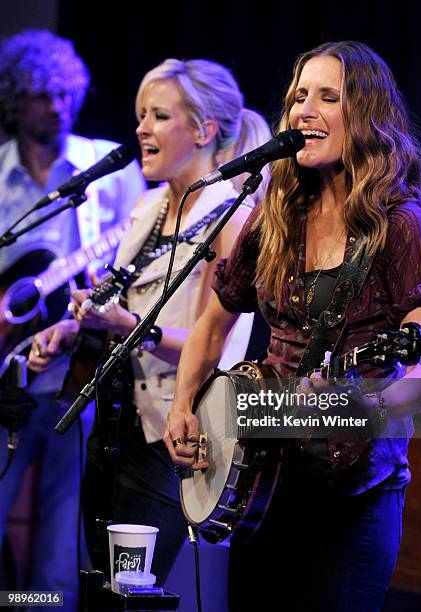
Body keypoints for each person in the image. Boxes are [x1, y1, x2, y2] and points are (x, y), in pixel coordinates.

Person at [165, 41, 421, 611]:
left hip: (352, 495)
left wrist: (359, 405)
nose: (305, 110)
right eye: (299, 96)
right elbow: (211, 323)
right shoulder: (275, 213)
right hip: (260, 484)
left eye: (329, 97)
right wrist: (182, 408)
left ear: (366, 116)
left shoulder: (403, 224)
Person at [28, 57, 271, 586]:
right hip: (115, 431)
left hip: (172, 438)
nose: (141, 127)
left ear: (204, 130)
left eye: (159, 116)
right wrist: (72, 327)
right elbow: (116, 304)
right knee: (99, 585)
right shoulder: (146, 208)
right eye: (141, 114)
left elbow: (216, 349)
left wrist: (127, 324)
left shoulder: (231, 216)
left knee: (134, 593)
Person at [0, 29, 144, 610]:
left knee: (60, 548)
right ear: (15, 98)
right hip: (7, 380)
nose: (56, 106)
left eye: (65, 94)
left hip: (74, 378)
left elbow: (138, 253)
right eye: (41, 95)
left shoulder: (104, 167)